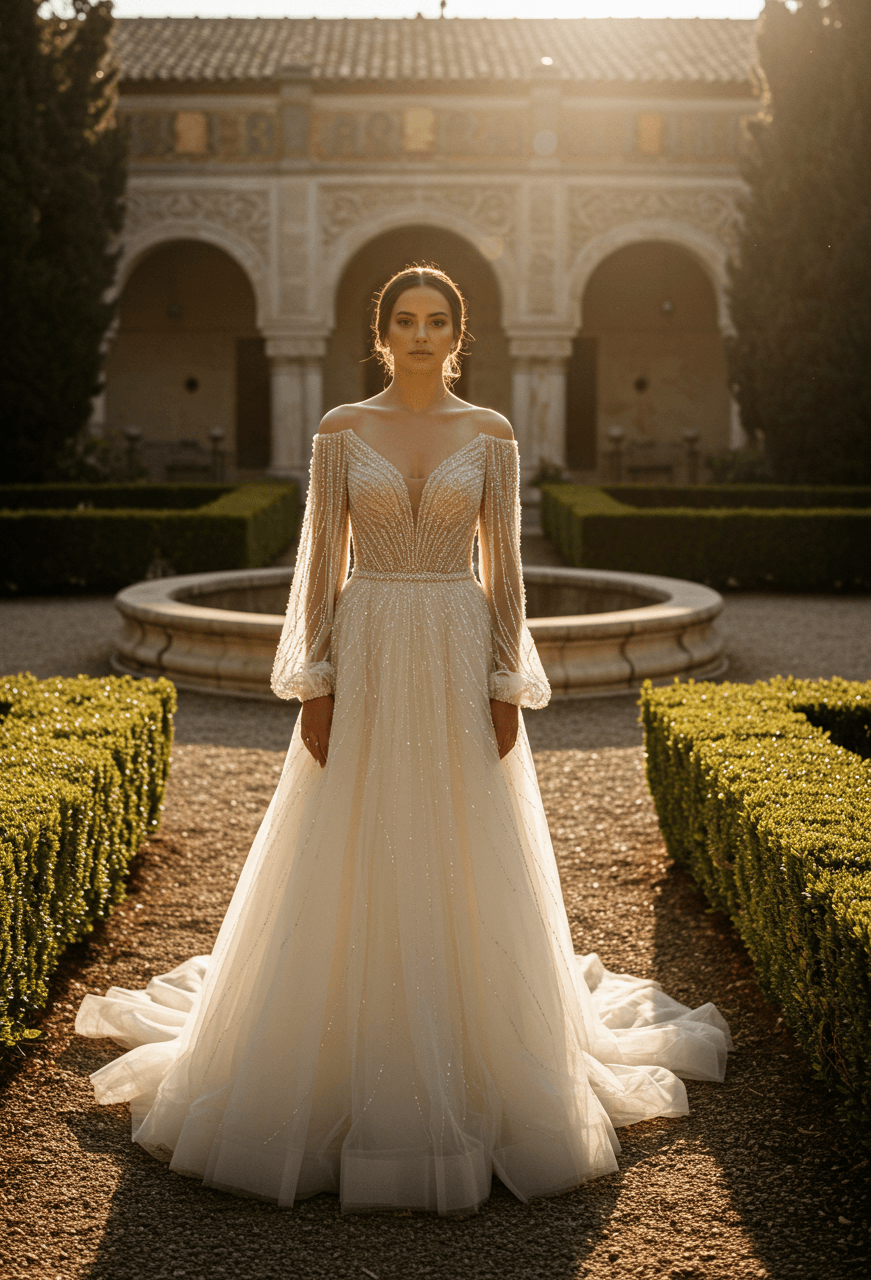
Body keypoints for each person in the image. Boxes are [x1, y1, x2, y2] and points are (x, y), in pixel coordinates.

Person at [76, 265, 730, 1216]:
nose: (420, 336)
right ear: (381, 334)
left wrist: (509, 682)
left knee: (465, 840)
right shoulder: (342, 430)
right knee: (349, 838)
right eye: (405, 321)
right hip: (371, 639)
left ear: (457, 335)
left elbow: (505, 571)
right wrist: (315, 682)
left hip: (459, 646)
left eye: (436, 322)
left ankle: (482, 1054)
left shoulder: (492, 435)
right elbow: (318, 565)